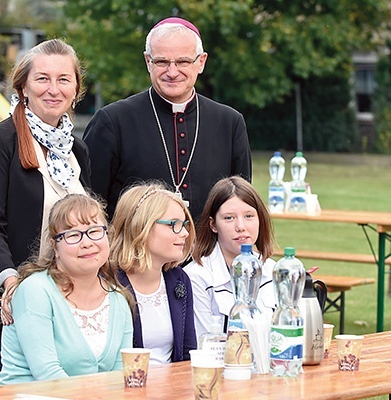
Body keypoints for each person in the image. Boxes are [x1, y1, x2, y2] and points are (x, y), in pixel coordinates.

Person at [0, 38, 91, 388]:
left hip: (64, 307)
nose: (53, 89)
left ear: (76, 90)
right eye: (42, 79)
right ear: (23, 86)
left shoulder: (78, 151)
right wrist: (10, 281)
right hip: (3, 308)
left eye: (64, 80)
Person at [83, 17, 252, 221]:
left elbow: (241, 204)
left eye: (183, 61)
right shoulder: (112, 121)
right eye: (162, 62)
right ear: (148, 62)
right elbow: (90, 205)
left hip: (207, 252)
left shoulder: (229, 123)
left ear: (201, 62)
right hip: (134, 252)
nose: (172, 72)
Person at [0, 193, 133, 385]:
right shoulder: (35, 290)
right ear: (55, 246)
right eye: (73, 235)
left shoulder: (118, 298)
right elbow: (46, 372)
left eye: (95, 231)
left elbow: (119, 376)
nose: (87, 243)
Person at [110, 182, 197, 364]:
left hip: (172, 388)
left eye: (184, 225)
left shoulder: (179, 279)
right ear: (141, 226)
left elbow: (188, 355)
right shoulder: (109, 282)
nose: (184, 234)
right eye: (174, 224)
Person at [184, 176, 277, 338]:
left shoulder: (273, 270)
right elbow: (205, 344)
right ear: (213, 225)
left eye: (249, 216)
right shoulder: (197, 277)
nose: (240, 227)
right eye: (229, 218)